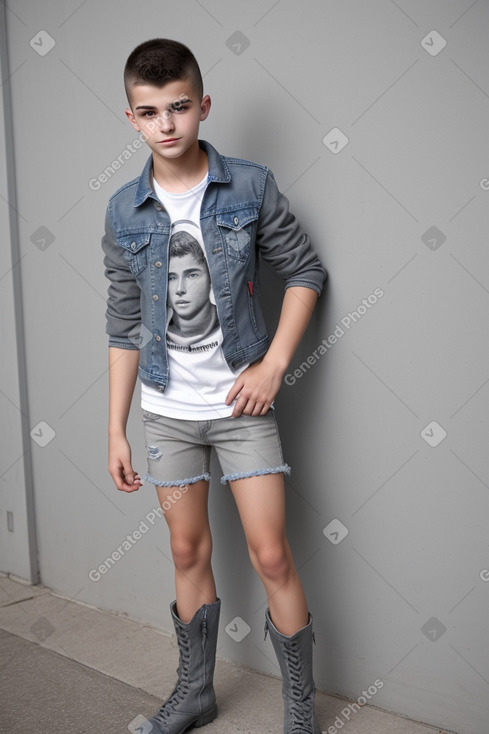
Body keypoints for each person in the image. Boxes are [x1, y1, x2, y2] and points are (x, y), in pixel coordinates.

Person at [102, 38, 327, 734]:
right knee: (185, 550)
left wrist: (272, 365)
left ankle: (298, 711)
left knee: (269, 553)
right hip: (166, 413)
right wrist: (115, 428)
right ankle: (194, 693)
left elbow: (305, 271)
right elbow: (123, 319)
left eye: (177, 108)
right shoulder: (123, 210)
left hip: (239, 409)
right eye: (148, 112)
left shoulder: (249, 186)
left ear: (202, 106)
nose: (165, 124)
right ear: (131, 119)